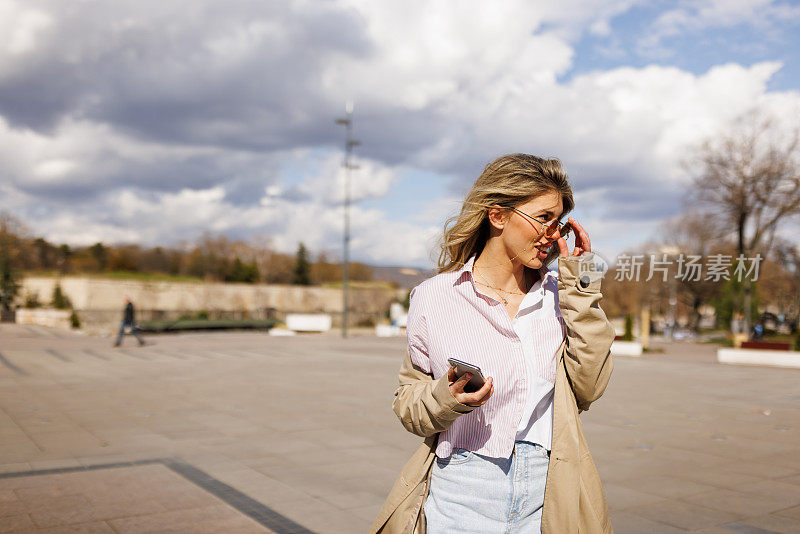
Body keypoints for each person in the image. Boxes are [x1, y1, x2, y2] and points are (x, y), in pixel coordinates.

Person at [370, 154, 616, 534]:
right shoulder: (434, 297)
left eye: (559, 221)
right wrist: (447, 397)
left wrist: (581, 287)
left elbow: (589, 388)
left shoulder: (561, 297)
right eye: (543, 217)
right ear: (498, 216)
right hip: (462, 490)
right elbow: (408, 403)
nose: (553, 234)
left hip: (549, 491)